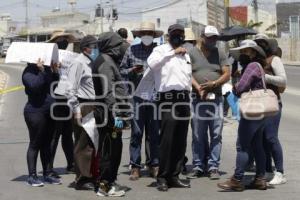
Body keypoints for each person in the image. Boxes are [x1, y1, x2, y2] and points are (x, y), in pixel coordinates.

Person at [218, 39, 268, 191]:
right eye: (242, 52)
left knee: (242, 146)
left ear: (254, 53)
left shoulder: (252, 66)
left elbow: (241, 88)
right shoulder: (257, 66)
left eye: (246, 51)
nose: (243, 54)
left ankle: (237, 179)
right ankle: (260, 179)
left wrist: (234, 86)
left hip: (252, 112)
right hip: (260, 112)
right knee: (257, 146)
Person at [147, 24, 192, 192]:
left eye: (181, 34)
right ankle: (162, 177)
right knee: (167, 139)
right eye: (175, 33)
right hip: (167, 98)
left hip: (183, 99)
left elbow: (187, 76)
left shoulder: (186, 54)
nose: (178, 36)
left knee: (180, 139)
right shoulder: (160, 50)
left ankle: (174, 175)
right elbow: (152, 64)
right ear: (169, 35)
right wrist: (173, 52)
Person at [120, 22, 163, 180]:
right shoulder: (131, 50)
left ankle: (154, 164)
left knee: (154, 133)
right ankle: (135, 166)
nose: (147, 35)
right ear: (139, 35)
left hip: (154, 98)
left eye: (149, 33)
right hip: (137, 97)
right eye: (144, 32)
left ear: (153, 35)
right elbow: (121, 71)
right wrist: (132, 70)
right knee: (136, 132)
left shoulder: (159, 51)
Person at [187, 25, 230, 180]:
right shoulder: (191, 53)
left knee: (216, 134)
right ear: (202, 36)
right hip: (197, 99)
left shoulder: (220, 53)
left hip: (216, 99)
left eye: (214, 38)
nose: (212, 40)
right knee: (198, 134)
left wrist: (214, 84)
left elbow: (227, 74)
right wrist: (198, 88)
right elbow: (187, 73)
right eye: (209, 37)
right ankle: (198, 165)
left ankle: (213, 166)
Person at [93, 32, 130, 197]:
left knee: (115, 147)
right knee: (109, 149)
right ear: (110, 46)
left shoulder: (107, 60)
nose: (120, 49)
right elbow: (108, 91)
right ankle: (104, 186)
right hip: (109, 114)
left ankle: (109, 181)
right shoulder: (105, 63)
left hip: (111, 113)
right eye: (117, 46)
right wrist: (116, 114)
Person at [65, 35, 98, 190]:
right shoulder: (78, 63)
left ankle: (91, 174)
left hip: (94, 105)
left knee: (93, 143)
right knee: (83, 144)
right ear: (86, 48)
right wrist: (76, 110)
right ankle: (82, 179)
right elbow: (70, 89)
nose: (96, 49)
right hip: (83, 106)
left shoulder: (92, 62)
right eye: (94, 46)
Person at [254, 34, 287, 185]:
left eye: (263, 43)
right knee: (261, 139)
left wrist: (265, 77)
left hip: (272, 104)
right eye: (257, 43)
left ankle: (280, 172)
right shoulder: (255, 61)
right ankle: (267, 170)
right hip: (257, 104)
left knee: (271, 137)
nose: (260, 45)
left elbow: (283, 80)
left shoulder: (274, 59)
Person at [23, 59, 62, 187]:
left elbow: (53, 86)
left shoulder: (46, 70)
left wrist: (55, 72)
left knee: (47, 144)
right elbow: (35, 86)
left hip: (49, 112)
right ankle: (32, 176)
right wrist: (41, 72)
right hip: (35, 112)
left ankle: (47, 173)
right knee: (35, 144)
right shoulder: (28, 72)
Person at [48, 30, 77, 177]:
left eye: (65, 38)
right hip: (55, 101)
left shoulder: (70, 57)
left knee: (67, 134)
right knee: (54, 135)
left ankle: (71, 164)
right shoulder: (48, 59)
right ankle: (49, 167)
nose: (63, 40)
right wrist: (54, 70)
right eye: (60, 39)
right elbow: (47, 81)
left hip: (68, 100)